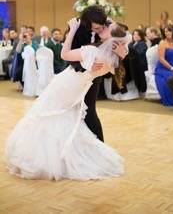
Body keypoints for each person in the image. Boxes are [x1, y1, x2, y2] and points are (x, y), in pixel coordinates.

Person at [5, 18, 129, 181]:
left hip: (65, 85)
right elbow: (121, 46)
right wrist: (122, 51)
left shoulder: (92, 51)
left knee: (49, 114)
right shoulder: (113, 58)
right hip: (77, 87)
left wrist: (72, 30)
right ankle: (66, 154)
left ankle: (51, 157)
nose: (104, 26)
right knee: (65, 117)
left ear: (110, 38)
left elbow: (64, 54)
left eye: (107, 27)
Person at [70, 5, 126, 142]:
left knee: (89, 110)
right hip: (77, 74)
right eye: (96, 28)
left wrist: (121, 53)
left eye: (102, 27)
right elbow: (68, 54)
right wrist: (84, 65)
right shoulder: (78, 28)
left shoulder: (107, 24)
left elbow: (123, 46)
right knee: (72, 109)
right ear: (87, 23)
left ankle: (99, 145)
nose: (100, 30)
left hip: (95, 75)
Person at [154, 26, 173, 106]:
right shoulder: (162, 43)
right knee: (172, 76)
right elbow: (161, 59)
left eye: (169, 31)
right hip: (163, 67)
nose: (167, 33)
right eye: (165, 31)